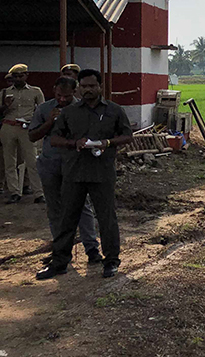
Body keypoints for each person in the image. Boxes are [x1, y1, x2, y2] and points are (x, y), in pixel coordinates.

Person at [36, 69, 133, 280]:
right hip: (74, 172)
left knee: (106, 218)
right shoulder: (70, 112)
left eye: (92, 86)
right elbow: (55, 139)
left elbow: (127, 136)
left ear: (100, 87)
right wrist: (74, 143)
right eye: (84, 86)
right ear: (78, 87)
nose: (88, 90)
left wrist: (108, 142)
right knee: (66, 219)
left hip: (102, 173)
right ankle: (60, 262)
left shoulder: (114, 111)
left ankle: (111, 261)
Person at [28, 76, 102, 265]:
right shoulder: (44, 109)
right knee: (55, 209)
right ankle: (60, 250)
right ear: (54, 90)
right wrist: (49, 122)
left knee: (81, 206)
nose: (62, 100)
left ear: (75, 92)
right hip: (50, 164)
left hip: (75, 165)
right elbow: (32, 136)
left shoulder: (83, 109)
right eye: (59, 95)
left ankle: (91, 248)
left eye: (67, 96)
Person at [0, 64, 45, 204]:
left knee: (32, 161)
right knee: (9, 161)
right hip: (8, 125)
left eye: (21, 76)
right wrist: (5, 105)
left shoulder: (35, 91)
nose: (19, 79)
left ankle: (38, 193)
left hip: (26, 127)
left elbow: (41, 110)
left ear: (27, 75)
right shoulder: (4, 93)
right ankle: (14, 192)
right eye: (16, 76)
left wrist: (35, 124)